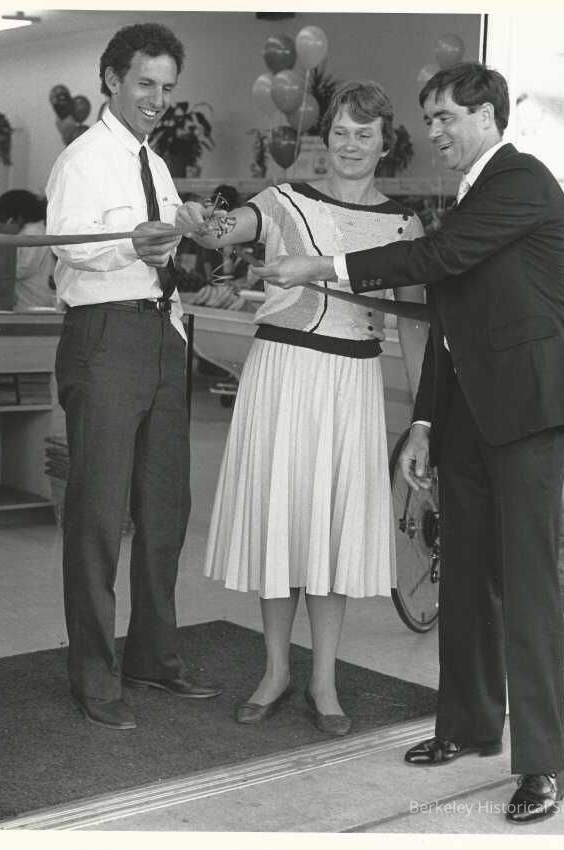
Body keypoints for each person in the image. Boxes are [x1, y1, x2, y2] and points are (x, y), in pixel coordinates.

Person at [249, 62, 564, 822]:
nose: (432, 131)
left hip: (528, 415)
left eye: (444, 117)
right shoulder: (470, 196)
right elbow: (448, 319)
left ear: (487, 115)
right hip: (467, 419)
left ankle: (543, 765)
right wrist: (426, 424)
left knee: (527, 591)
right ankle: (467, 726)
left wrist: (323, 265)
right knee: (462, 579)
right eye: (428, 118)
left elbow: (436, 259)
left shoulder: (521, 181)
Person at [176, 81, 424, 736]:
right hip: (281, 375)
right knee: (281, 522)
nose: (350, 145)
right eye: (340, 132)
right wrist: (205, 222)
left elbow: (415, 326)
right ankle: (275, 671)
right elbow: (232, 228)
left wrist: (424, 420)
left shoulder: (404, 225)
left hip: (350, 382)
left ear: (386, 144)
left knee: (331, 530)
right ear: (325, 138)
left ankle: (324, 681)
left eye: (364, 134)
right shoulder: (284, 199)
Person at [46, 22, 221, 731]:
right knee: (98, 514)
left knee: (166, 508)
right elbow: (68, 245)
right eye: (145, 83)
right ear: (112, 80)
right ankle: (94, 676)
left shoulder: (156, 163)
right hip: (105, 338)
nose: (157, 98)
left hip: (161, 333)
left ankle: (153, 657)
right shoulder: (83, 160)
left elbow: (164, 242)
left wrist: (188, 230)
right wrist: (131, 241)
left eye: (167, 87)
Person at [0, 189, 57, 311]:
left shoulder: (31, 235)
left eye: (3, 220)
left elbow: (22, 269)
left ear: (19, 217)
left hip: (32, 303)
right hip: (33, 301)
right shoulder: (36, 231)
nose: (0, 225)